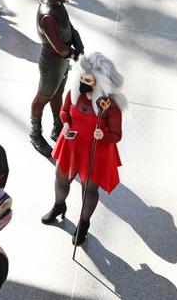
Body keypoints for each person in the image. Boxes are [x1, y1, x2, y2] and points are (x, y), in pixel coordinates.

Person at [41, 52, 125, 247]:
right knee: (61, 177)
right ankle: (58, 206)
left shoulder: (110, 106)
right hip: (71, 143)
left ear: (100, 81)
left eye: (88, 79)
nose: (82, 81)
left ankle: (83, 224)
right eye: (81, 77)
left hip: (96, 148)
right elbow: (64, 111)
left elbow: (117, 134)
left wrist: (104, 135)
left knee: (89, 189)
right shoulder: (74, 92)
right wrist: (65, 123)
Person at [30, 0, 84, 158]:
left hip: (61, 62)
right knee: (42, 97)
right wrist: (76, 55)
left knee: (57, 92)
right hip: (52, 62)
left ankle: (57, 125)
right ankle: (35, 133)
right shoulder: (48, 15)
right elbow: (60, 48)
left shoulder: (57, 4)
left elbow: (69, 27)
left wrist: (79, 44)